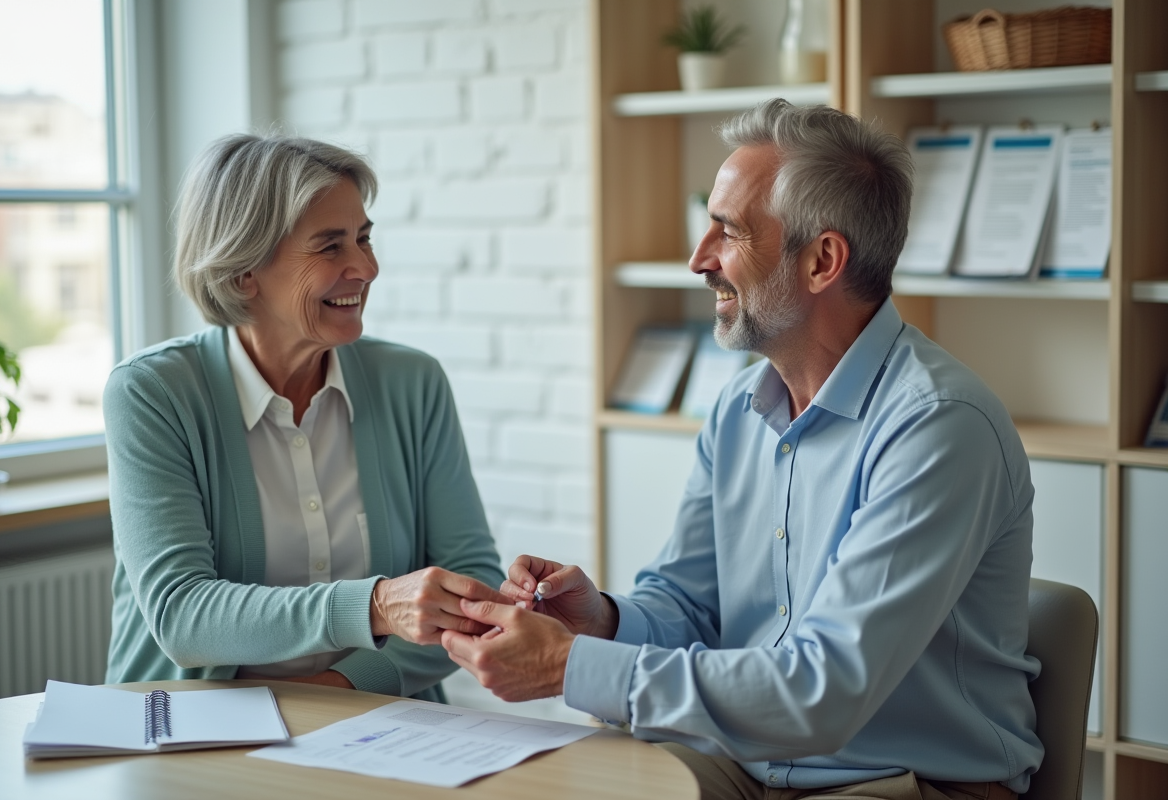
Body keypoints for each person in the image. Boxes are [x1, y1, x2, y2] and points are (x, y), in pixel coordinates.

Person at [441, 100, 1043, 799]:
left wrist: (568, 667)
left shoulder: (938, 426)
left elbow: (823, 690)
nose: (699, 260)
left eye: (727, 233)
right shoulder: (738, 407)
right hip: (747, 764)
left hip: (905, 782)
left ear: (823, 260)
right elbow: (690, 605)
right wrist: (601, 621)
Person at [105, 134, 506, 702]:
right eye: (330, 247)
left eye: (364, 240)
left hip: (377, 723)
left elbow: (472, 585)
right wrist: (373, 605)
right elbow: (182, 614)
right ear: (246, 270)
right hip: (192, 733)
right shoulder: (153, 392)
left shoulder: (413, 383)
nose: (364, 268)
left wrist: (342, 687)